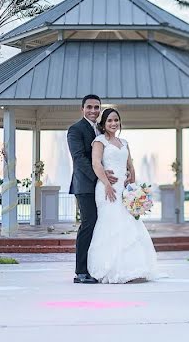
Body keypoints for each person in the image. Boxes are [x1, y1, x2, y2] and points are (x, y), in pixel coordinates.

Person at [86, 107, 160, 283]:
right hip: (106, 189)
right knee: (111, 224)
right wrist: (106, 184)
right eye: (110, 120)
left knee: (129, 224)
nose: (113, 123)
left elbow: (131, 166)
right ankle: (110, 267)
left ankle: (132, 268)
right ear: (103, 124)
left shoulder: (124, 142)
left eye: (116, 120)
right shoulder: (99, 141)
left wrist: (133, 187)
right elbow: (96, 164)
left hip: (124, 190)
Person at [67, 94, 132, 284]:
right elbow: (79, 159)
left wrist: (125, 173)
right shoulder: (75, 130)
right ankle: (80, 272)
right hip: (86, 185)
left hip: (104, 186)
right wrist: (102, 177)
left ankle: (98, 266)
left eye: (96, 107)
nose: (93, 111)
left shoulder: (101, 131)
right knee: (88, 224)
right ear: (82, 109)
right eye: (89, 107)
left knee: (101, 225)